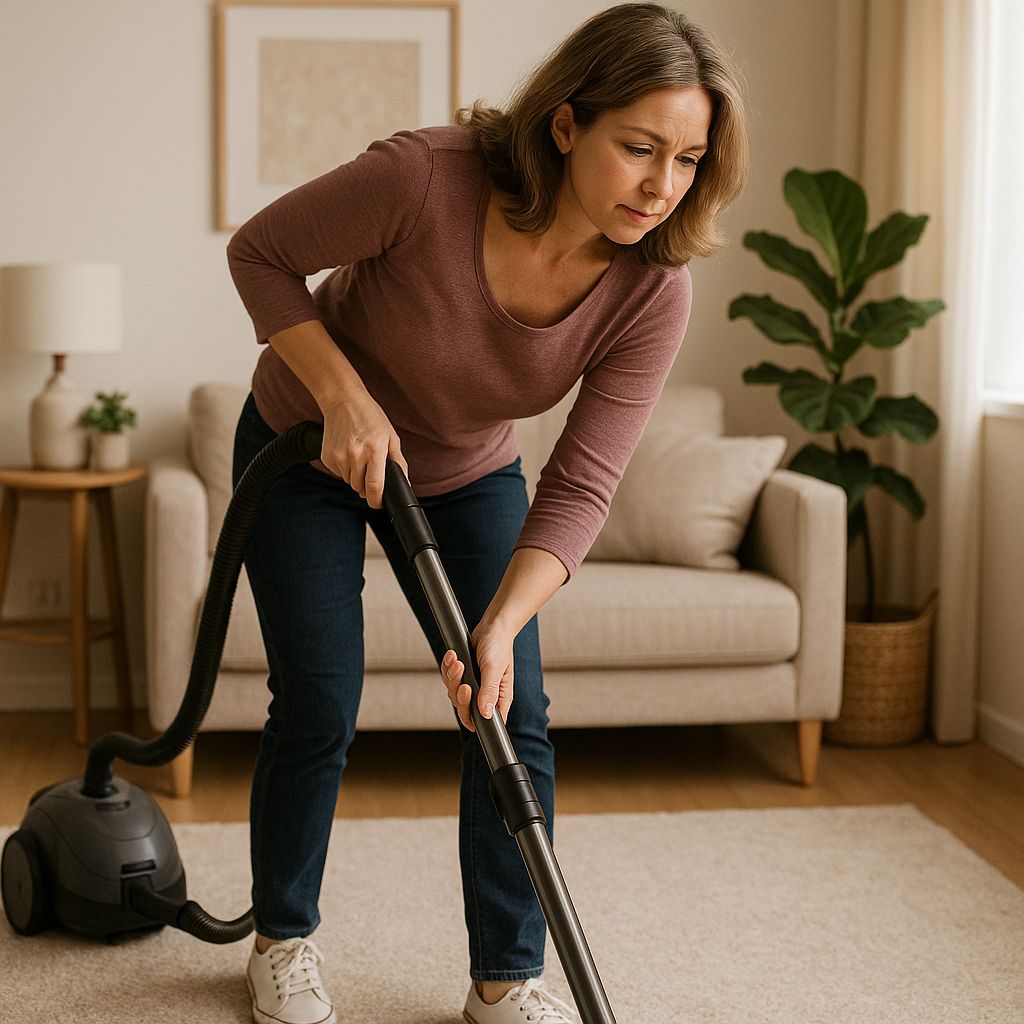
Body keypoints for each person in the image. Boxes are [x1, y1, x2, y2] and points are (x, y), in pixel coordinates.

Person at [226, 4, 747, 1022]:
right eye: (638, 148)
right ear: (565, 122)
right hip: (306, 449)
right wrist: (342, 395)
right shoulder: (424, 178)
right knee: (320, 701)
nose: (660, 187)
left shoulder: (652, 289)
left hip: (465, 473)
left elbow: (583, 482)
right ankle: (281, 938)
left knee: (510, 708)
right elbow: (259, 254)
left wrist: (500, 624)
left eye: (687, 159)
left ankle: (504, 975)